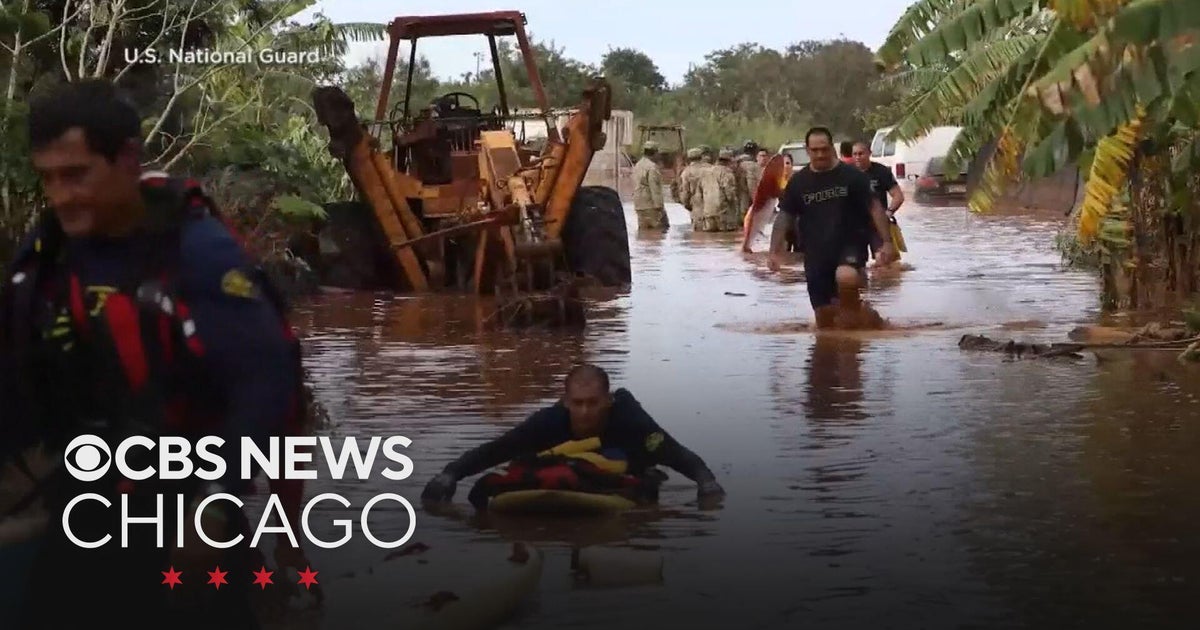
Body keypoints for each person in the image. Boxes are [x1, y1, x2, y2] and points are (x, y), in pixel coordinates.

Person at [0, 78, 306, 629]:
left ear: (127, 160)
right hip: (85, 493)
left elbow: (266, 385)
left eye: (77, 175)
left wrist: (216, 504)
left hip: (187, 492)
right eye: (49, 179)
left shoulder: (198, 255)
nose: (61, 195)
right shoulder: (47, 254)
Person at [421, 364, 725, 504]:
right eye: (577, 404)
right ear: (566, 402)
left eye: (593, 403)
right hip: (570, 469)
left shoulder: (631, 420)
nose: (584, 412)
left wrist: (706, 482)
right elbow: (498, 449)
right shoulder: (549, 421)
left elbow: (676, 453)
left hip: (623, 465)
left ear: (607, 401)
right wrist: (449, 475)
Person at [770, 127, 896, 327]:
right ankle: (866, 317)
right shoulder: (798, 182)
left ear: (832, 148)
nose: (820, 154)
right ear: (807, 150)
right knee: (824, 320)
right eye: (815, 150)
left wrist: (887, 243)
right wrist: (773, 251)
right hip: (815, 252)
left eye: (824, 149)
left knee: (845, 277)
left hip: (850, 243)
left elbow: (875, 208)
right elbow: (784, 216)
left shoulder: (852, 176)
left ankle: (856, 314)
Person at [852, 141, 905, 263]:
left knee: (884, 262)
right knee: (855, 265)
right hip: (855, 226)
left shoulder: (881, 171)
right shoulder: (848, 173)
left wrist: (889, 213)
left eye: (861, 153)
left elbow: (898, 196)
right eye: (854, 154)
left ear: (869, 153)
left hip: (878, 225)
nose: (857, 157)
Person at [632, 141, 667, 231]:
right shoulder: (652, 167)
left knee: (643, 231)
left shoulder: (637, 165)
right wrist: (659, 207)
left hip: (639, 205)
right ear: (654, 153)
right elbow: (654, 188)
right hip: (650, 205)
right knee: (657, 232)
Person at [677, 147, 707, 225]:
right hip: (712, 208)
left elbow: (685, 194)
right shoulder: (710, 168)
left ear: (689, 158)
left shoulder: (686, 172)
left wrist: (687, 206)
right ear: (701, 157)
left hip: (696, 208)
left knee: (698, 234)